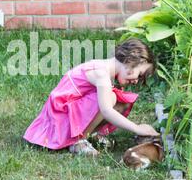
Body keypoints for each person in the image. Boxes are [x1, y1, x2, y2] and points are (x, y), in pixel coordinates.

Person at [23, 38, 160, 156]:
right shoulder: (101, 73)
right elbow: (106, 110)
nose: (136, 81)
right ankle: (78, 141)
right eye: (140, 75)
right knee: (110, 99)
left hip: (69, 113)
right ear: (131, 60)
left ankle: (91, 134)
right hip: (60, 117)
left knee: (122, 100)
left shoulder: (107, 72)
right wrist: (136, 128)